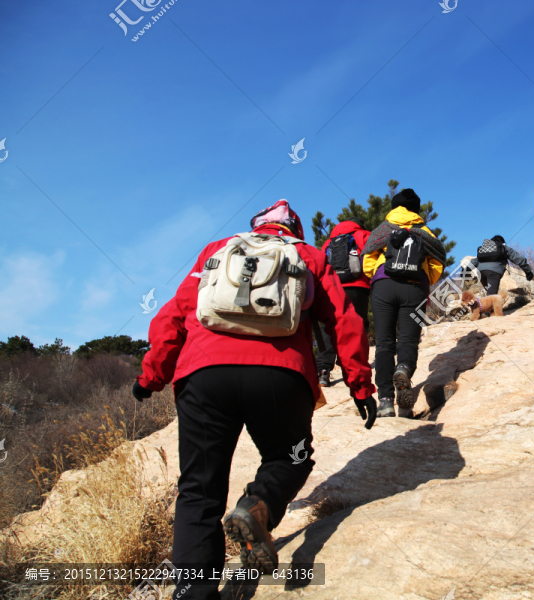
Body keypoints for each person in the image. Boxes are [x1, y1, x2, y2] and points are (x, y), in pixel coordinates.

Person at [132, 200, 376, 600]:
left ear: (256, 227)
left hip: (204, 375)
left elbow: (174, 314)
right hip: (281, 376)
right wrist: (359, 384)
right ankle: (259, 504)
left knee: (199, 489)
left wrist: (150, 376)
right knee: (291, 457)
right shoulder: (308, 256)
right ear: (295, 229)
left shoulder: (217, 250)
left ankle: (194, 593)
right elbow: (344, 320)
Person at [361, 188, 445, 418]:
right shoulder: (425, 231)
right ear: (417, 210)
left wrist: (377, 277)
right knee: (409, 339)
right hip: (414, 287)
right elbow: (438, 262)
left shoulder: (383, 229)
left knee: (385, 343)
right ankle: (404, 369)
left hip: (383, 286)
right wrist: (425, 279)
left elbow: (367, 260)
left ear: (394, 207)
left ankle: (386, 401)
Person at [316, 217, 371, 387]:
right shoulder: (364, 235)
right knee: (358, 326)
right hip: (358, 286)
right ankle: (353, 370)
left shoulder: (329, 241)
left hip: (333, 286)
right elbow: (371, 259)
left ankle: (323, 371)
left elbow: (322, 263)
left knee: (329, 327)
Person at [467, 235, 534, 295]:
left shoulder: (486, 250)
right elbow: (518, 259)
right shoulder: (504, 248)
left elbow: (475, 260)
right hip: (493, 272)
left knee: (490, 291)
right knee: (491, 295)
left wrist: (466, 270)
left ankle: (488, 306)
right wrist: (528, 271)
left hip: (481, 272)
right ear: (503, 243)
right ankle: (489, 309)